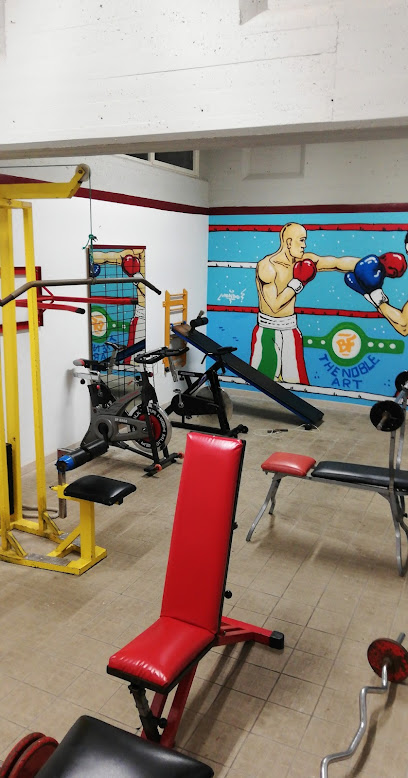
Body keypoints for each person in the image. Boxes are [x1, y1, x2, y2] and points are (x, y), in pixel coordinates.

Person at [250, 222, 360, 383]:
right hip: (268, 332)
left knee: (296, 382)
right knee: (262, 382)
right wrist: (297, 282)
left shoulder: (303, 261)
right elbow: (274, 306)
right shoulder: (268, 266)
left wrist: (374, 263)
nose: (304, 245)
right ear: (289, 242)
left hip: (290, 329)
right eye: (301, 240)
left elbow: (336, 263)